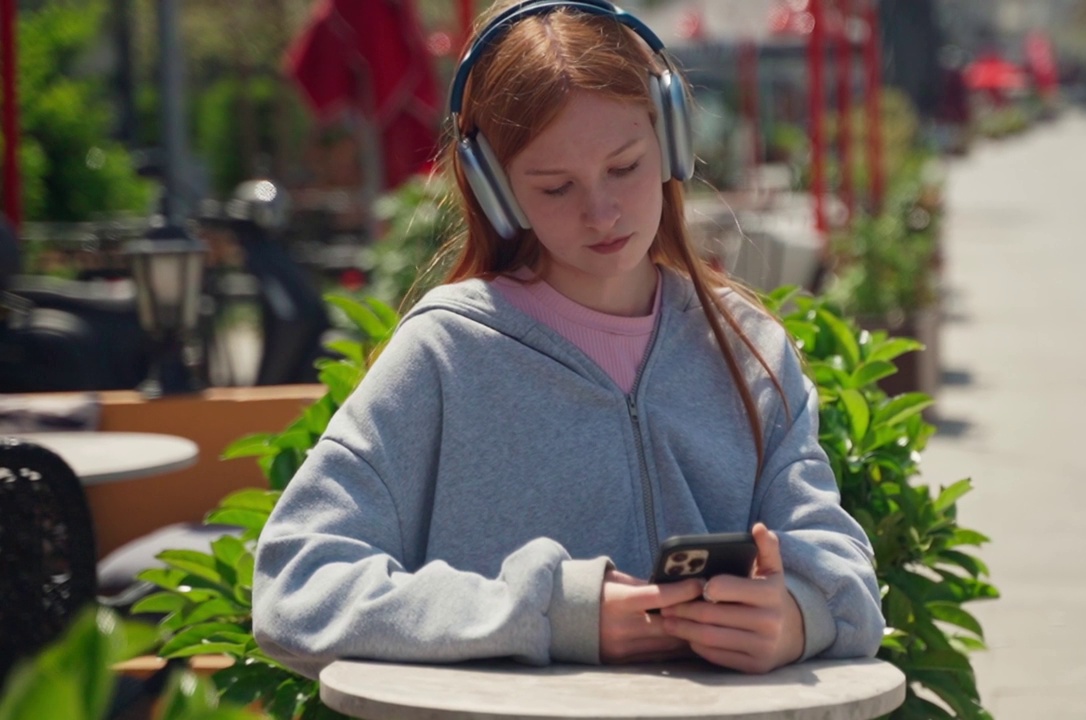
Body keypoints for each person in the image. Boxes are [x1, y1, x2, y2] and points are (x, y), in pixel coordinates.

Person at [252, 0, 884, 680]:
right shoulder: (443, 357)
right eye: (555, 187)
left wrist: (795, 616)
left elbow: (840, 572)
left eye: (624, 167)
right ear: (497, 193)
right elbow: (295, 585)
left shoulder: (748, 347)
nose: (602, 212)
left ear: (671, 140)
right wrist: (550, 614)